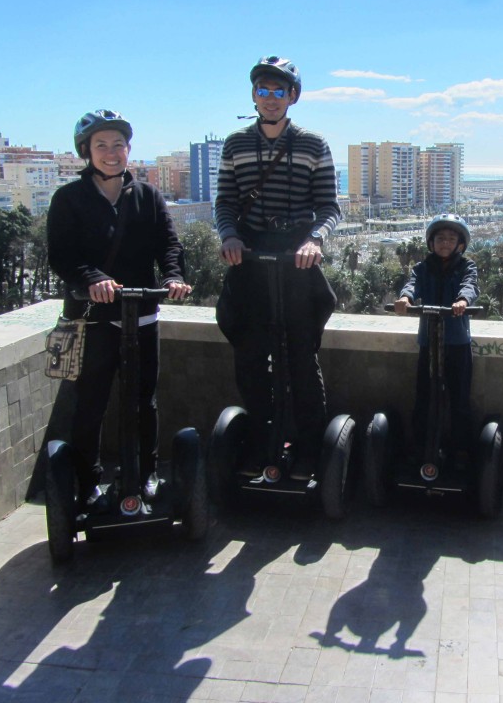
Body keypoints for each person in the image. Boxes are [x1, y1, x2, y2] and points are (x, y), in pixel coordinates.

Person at [47, 109, 192, 509]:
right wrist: (93, 279)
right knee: (90, 401)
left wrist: (172, 277)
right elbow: (61, 256)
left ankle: (145, 475)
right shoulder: (69, 199)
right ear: (86, 151)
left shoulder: (147, 196)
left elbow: (169, 244)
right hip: (93, 320)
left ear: (128, 150)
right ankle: (87, 482)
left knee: (144, 401)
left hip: (142, 316)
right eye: (101, 145)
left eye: (118, 145)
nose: (111, 153)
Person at [214, 55, 339, 481]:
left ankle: (308, 449)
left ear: (293, 97)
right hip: (250, 257)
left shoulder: (313, 144)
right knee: (250, 359)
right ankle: (262, 441)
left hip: (297, 258)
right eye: (263, 90)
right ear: (254, 95)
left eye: (278, 91)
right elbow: (226, 202)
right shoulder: (234, 144)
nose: (270, 98)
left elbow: (328, 207)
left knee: (302, 361)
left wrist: (314, 240)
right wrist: (229, 236)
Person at [395, 214, 479, 468]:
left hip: (456, 343)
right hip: (428, 343)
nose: (445, 243)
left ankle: (459, 452)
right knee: (423, 397)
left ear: (460, 245)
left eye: (451, 239)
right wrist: (405, 299)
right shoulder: (422, 268)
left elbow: (470, 285)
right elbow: (412, 285)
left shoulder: (467, 266)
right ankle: (421, 449)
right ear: (431, 243)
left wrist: (463, 301)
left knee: (459, 400)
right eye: (440, 238)